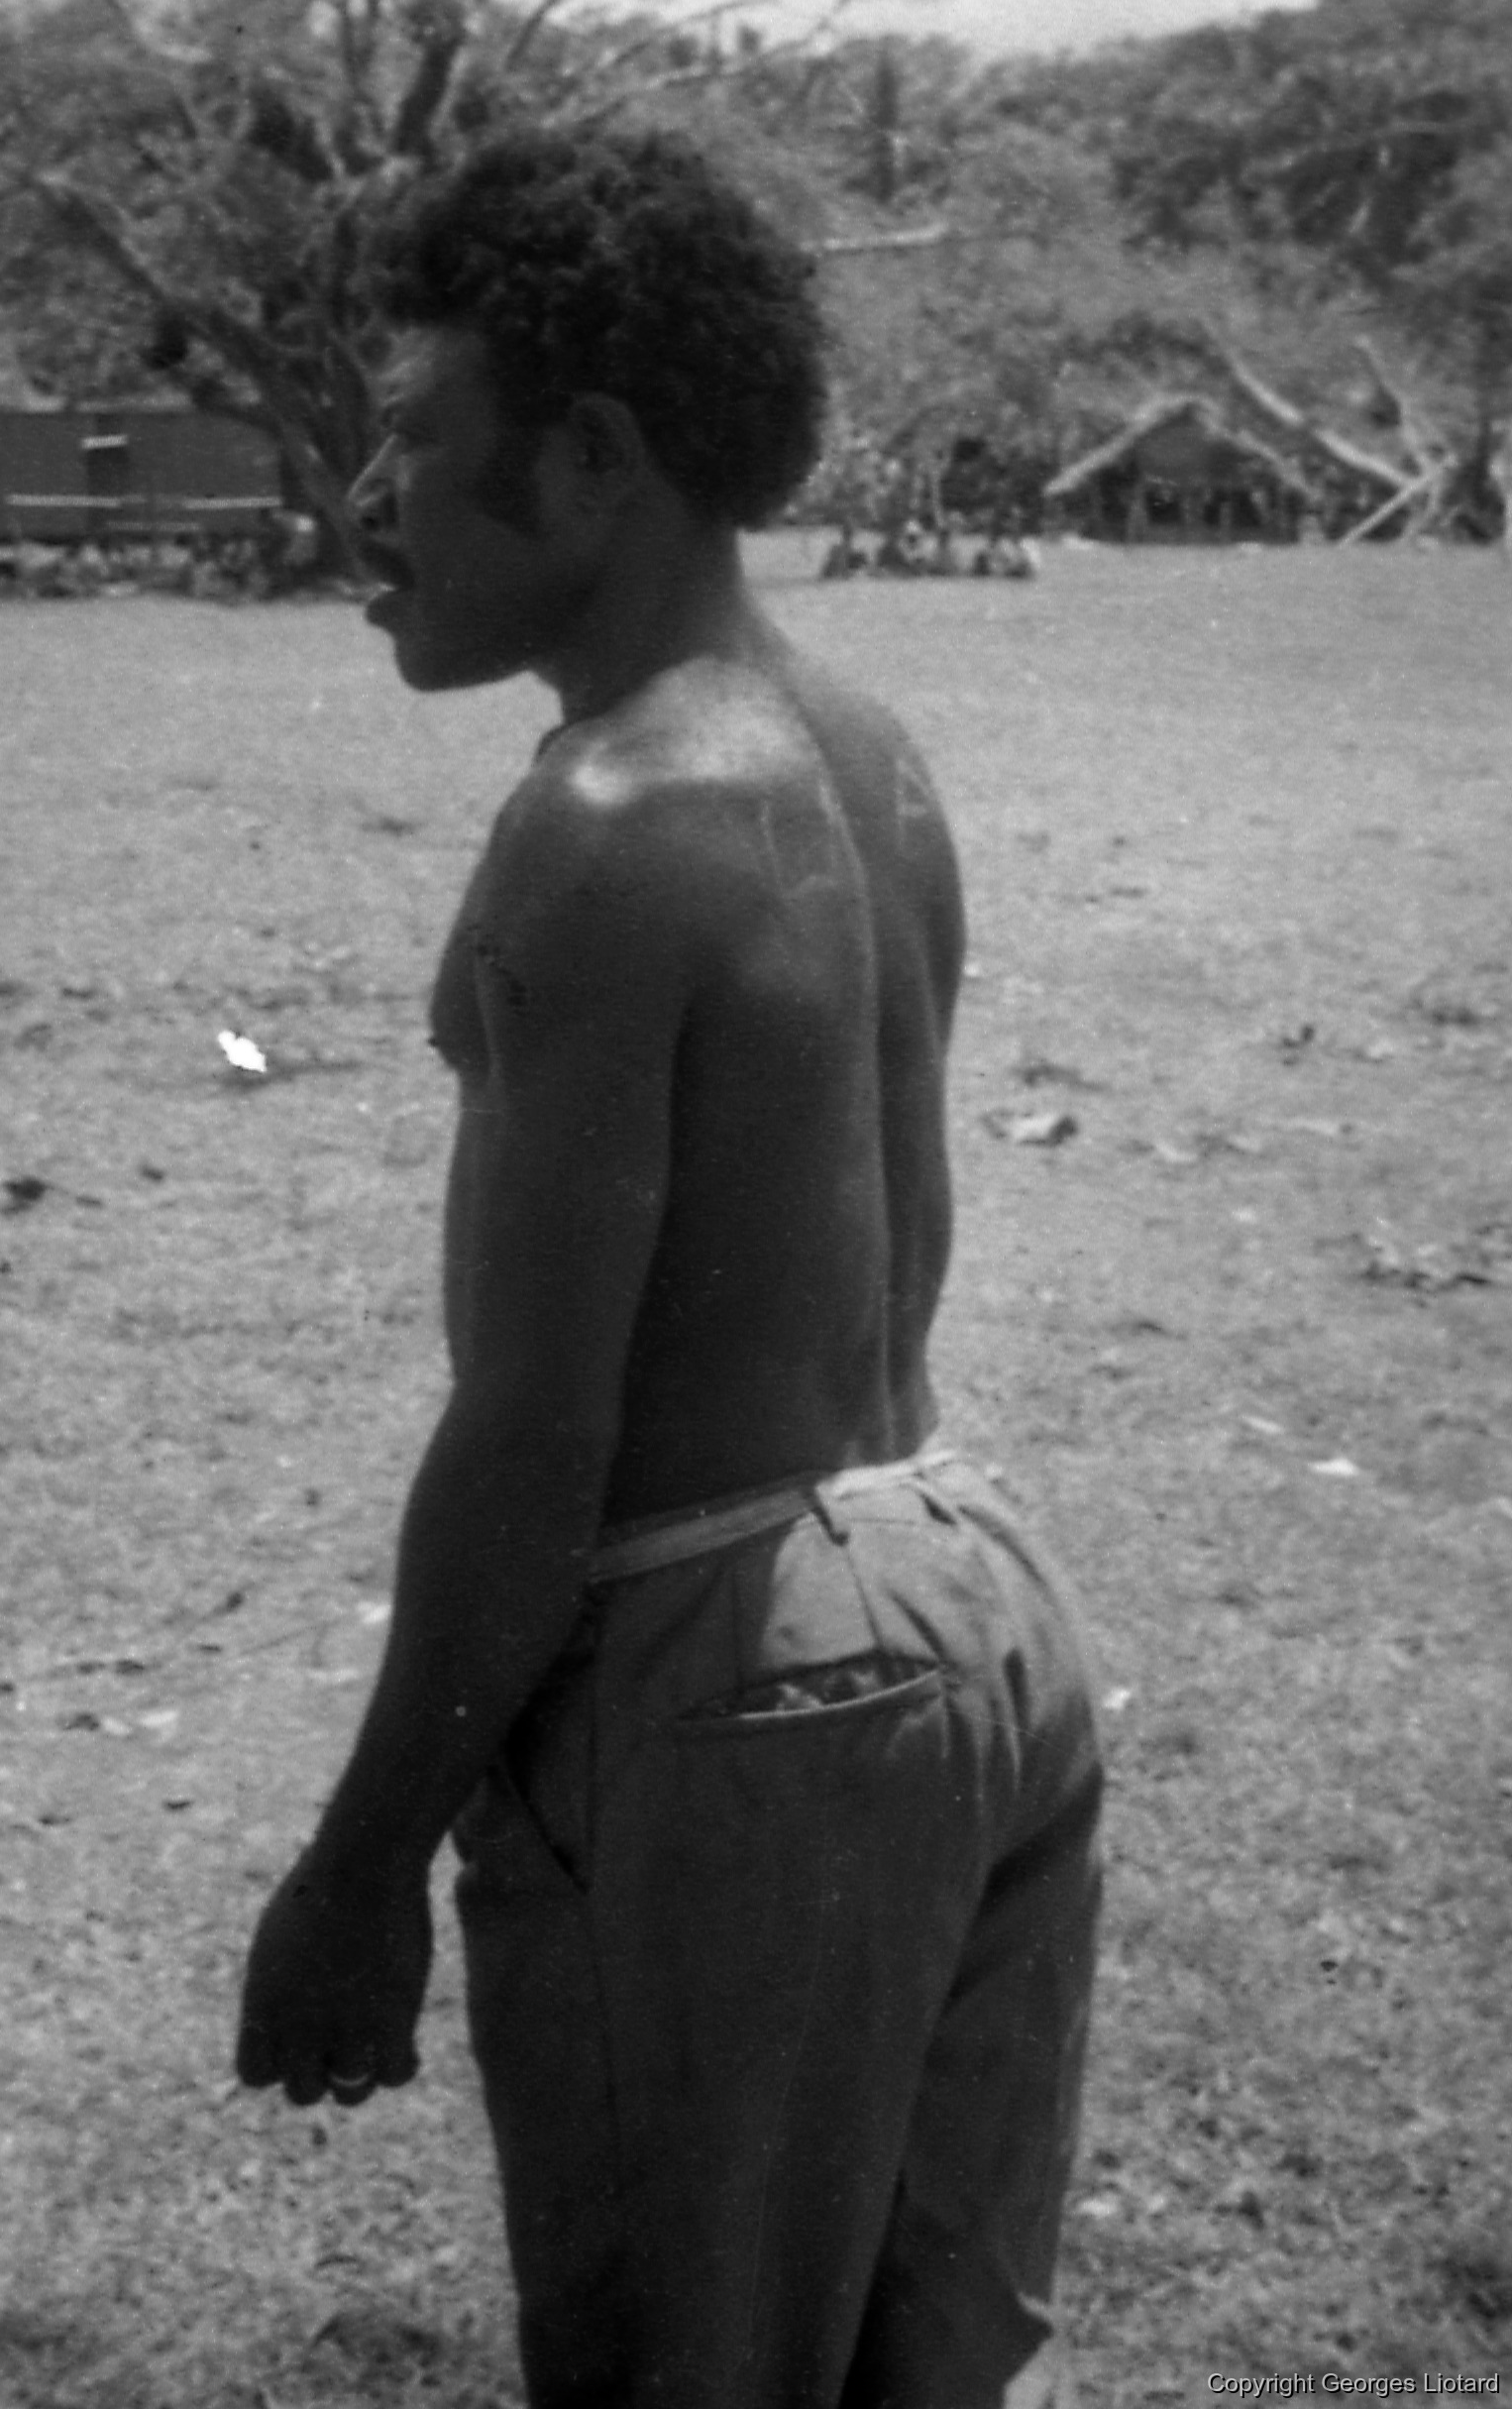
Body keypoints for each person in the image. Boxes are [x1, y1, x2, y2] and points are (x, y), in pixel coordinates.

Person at [236, 129, 1102, 2409]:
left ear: (595, 456)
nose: (362, 503)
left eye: (413, 437)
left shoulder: (607, 819)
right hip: (969, 1596)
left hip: (746, 1692)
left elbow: (537, 1430)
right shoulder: (866, 756)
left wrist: (358, 1867)